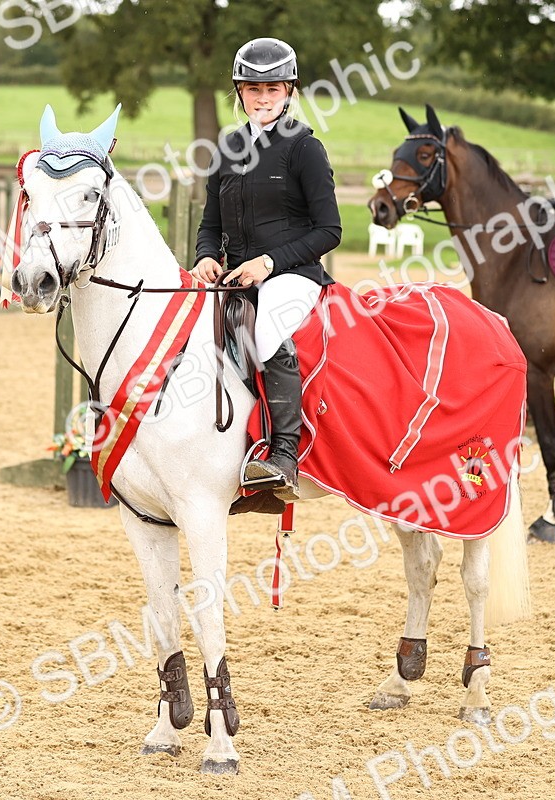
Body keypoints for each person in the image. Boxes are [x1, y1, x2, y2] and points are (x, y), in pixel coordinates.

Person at [191, 37, 342, 502]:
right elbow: (210, 223)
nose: (262, 97)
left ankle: (283, 455)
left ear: (289, 91)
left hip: (293, 276)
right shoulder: (227, 148)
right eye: (252, 89)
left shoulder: (304, 149)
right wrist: (205, 256)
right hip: (237, 276)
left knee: (269, 329)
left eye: (272, 89)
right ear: (239, 91)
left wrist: (270, 262)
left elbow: (330, 230)